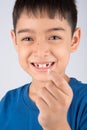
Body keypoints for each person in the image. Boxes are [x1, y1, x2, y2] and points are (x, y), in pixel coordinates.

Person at [0, 0, 87, 130]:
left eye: (54, 37)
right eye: (28, 38)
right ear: (15, 40)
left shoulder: (84, 102)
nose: (40, 52)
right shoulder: (7, 102)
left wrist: (57, 125)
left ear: (74, 40)